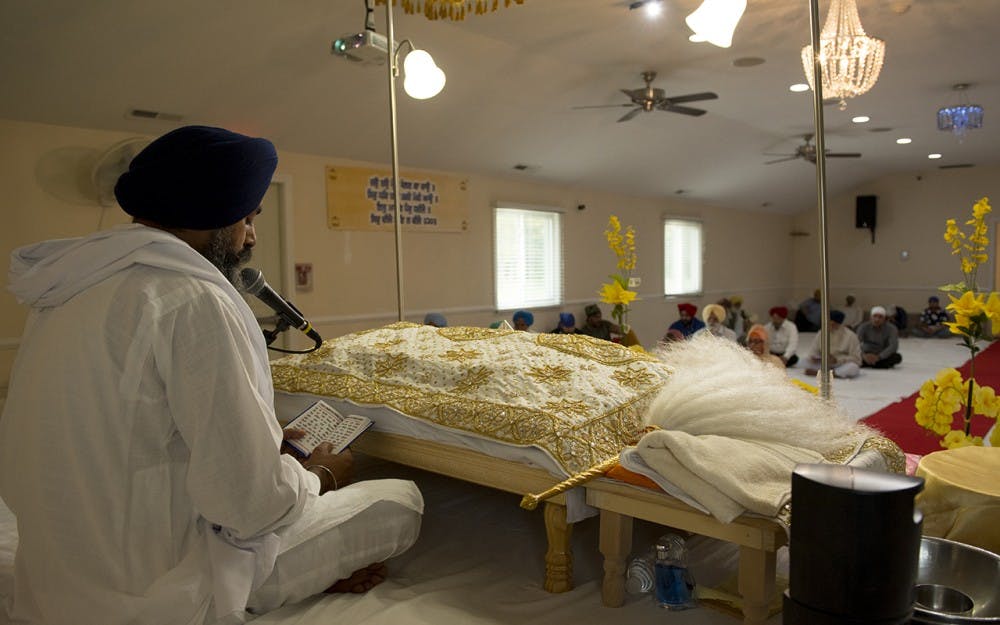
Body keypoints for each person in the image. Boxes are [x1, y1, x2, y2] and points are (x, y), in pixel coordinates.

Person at [0, 126, 423, 625]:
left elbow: (133, 434)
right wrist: (320, 476)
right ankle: (292, 581)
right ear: (213, 213)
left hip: (57, 579)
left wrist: (262, 446)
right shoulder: (191, 299)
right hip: (159, 592)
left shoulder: (66, 291)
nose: (251, 235)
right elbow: (251, 507)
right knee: (399, 501)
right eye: (247, 217)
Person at [804, 311, 862, 378]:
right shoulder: (821, 333)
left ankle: (827, 374)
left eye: (833, 324)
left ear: (839, 324)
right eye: (828, 323)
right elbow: (813, 350)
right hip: (823, 363)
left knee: (853, 367)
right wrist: (814, 357)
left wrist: (837, 360)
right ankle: (830, 373)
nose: (830, 326)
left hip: (840, 364)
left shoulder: (850, 336)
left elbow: (857, 359)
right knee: (803, 361)